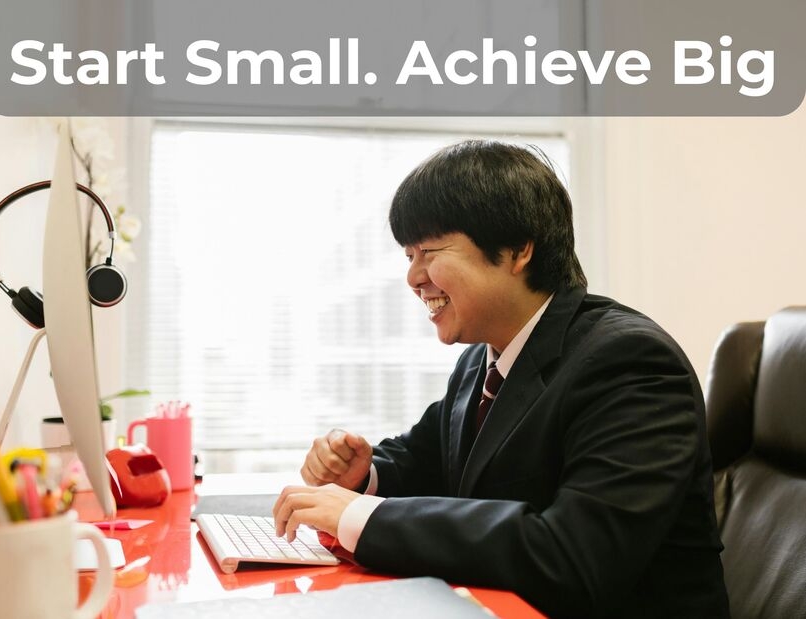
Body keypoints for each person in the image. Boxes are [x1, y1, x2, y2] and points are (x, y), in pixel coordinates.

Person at [272, 140, 730, 618]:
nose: (413, 277)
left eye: (429, 251)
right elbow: (427, 461)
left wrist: (363, 517)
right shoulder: (482, 358)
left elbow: (573, 555)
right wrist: (364, 477)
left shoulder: (630, 361)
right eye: (409, 256)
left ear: (517, 250)